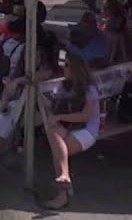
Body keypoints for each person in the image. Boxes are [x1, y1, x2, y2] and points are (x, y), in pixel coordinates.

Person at [0, 35, 61, 170]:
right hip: (15, 102)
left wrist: (18, 81)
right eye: (28, 55)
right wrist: (4, 101)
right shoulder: (20, 69)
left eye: (36, 56)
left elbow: (31, 80)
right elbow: (8, 90)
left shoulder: (46, 70)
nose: (31, 58)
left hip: (35, 109)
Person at [41, 52, 100, 210]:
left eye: (67, 65)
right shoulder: (64, 86)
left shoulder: (89, 89)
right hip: (68, 127)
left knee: (57, 147)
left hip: (87, 130)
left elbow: (84, 116)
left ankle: (62, 192)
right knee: (54, 135)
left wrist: (59, 116)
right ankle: (64, 181)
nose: (64, 68)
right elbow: (56, 106)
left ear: (76, 68)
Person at [102, 0, 132, 64]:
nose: (103, 11)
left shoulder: (111, 27)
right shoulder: (129, 23)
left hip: (118, 64)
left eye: (105, 9)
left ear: (110, 10)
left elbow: (108, 51)